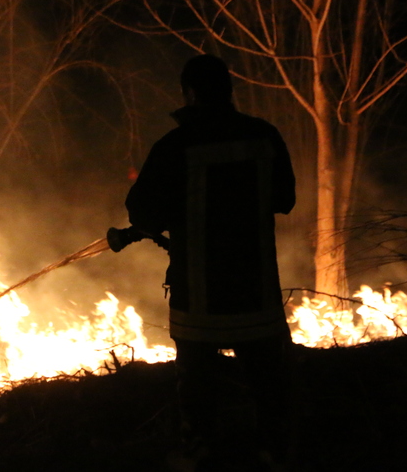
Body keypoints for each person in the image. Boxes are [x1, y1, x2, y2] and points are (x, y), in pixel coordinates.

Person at [116, 54, 296, 470]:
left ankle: (199, 451)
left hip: (198, 299)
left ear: (190, 94)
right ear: (229, 90)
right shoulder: (263, 136)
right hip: (256, 293)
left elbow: (142, 212)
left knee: (197, 387)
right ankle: (272, 453)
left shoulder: (174, 146)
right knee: (268, 383)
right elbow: (285, 198)